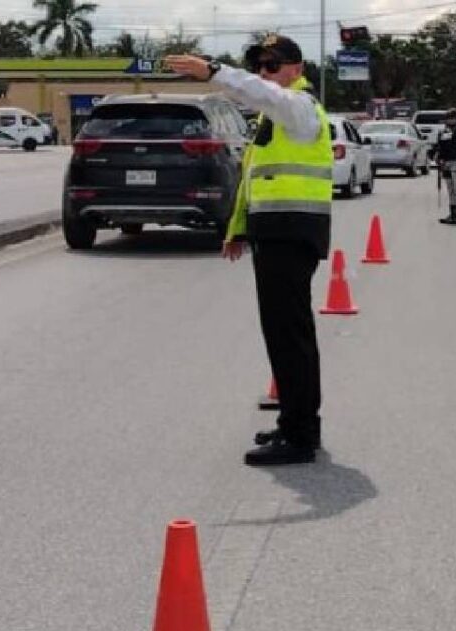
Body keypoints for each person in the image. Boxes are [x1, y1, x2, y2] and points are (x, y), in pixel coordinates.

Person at [166, 35, 331, 466]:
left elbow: (262, 93)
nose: (263, 73)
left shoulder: (299, 108)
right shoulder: (273, 116)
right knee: (282, 334)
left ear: (296, 68)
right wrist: (238, 230)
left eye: (272, 65)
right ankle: (293, 423)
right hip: (275, 231)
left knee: (290, 336)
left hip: (292, 231)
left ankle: (300, 435)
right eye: (258, 66)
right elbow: (254, 179)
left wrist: (216, 72)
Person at [435, 109, 456, 225]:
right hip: (446, 164)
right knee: (451, 190)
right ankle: (453, 214)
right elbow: (440, 148)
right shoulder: (444, 132)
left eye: (452, 117)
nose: (450, 120)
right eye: (448, 117)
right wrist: (438, 157)